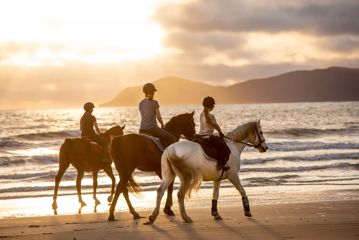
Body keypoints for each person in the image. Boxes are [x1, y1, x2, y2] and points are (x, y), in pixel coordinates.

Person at [199, 96, 231, 170]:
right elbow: (216, 126)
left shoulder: (201, 114)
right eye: (213, 105)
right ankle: (220, 164)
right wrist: (220, 133)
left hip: (200, 136)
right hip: (208, 136)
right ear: (211, 106)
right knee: (225, 148)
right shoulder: (211, 116)